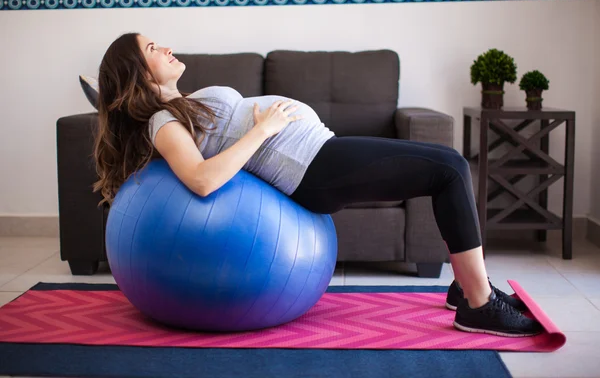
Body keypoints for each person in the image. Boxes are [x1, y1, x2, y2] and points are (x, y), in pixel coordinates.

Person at [93, 32, 543, 338]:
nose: (167, 47)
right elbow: (202, 179)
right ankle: (477, 303)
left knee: (447, 167)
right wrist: (263, 130)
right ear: (139, 71)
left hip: (320, 153)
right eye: (154, 47)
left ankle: (468, 288)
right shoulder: (162, 121)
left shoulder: (181, 106)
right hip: (312, 167)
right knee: (449, 169)